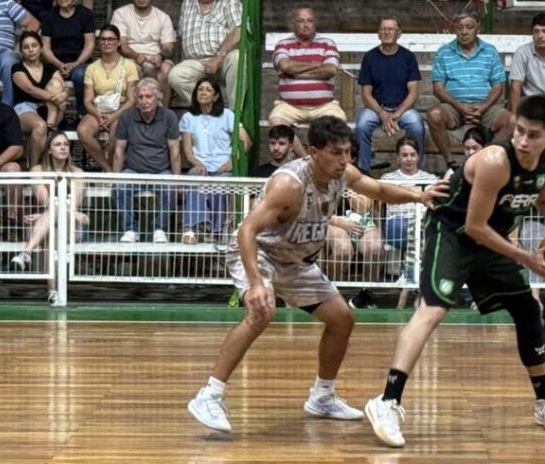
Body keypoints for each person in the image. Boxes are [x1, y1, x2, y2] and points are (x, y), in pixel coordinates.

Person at [186, 116, 447, 434]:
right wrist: (255, 282)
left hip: (294, 260)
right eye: (336, 153)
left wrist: (419, 196)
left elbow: (378, 189)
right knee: (261, 312)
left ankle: (322, 396)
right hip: (260, 252)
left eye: (347, 152)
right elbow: (247, 230)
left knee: (342, 319)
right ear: (313, 152)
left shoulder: (343, 173)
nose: (344, 160)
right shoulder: (289, 184)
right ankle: (209, 395)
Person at [365, 95, 545, 448]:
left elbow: (543, 201)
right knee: (432, 309)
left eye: (533, 135)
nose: (522, 141)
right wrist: (526, 258)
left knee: (528, 309)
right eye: (519, 131)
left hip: (489, 239)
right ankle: (387, 401)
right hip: (453, 232)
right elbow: (475, 227)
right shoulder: (495, 161)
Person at [10, 131, 88, 307]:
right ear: (49, 150)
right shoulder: (37, 171)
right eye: (57, 144)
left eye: (66, 144)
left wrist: (55, 211)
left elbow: (74, 206)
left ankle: (26, 253)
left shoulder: (78, 172)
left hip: (72, 226)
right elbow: (46, 201)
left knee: (52, 219)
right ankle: (54, 292)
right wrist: (58, 210)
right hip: (43, 227)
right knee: (51, 232)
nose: (63, 148)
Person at [427, 9, 512, 170]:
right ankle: (451, 163)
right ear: (454, 29)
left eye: (469, 27)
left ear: (477, 29)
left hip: (484, 107)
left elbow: (498, 86)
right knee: (434, 115)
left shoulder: (490, 51)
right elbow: (438, 89)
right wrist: (460, 107)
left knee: (512, 121)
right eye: (460, 27)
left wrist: (483, 108)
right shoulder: (444, 52)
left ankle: (485, 160)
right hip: (454, 107)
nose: (464, 32)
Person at [180, 77, 251, 245]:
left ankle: (218, 232)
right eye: (200, 89)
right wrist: (197, 163)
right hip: (200, 166)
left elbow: (246, 142)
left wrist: (232, 162)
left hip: (222, 167)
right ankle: (195, 228)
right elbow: (187, 150)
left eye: (208, 90)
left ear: (216, 96)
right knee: (194, 179)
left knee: (221, 184)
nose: (203, 93)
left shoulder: (227, 115)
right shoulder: (188, 117)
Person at [267, 5, 346, 150]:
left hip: (324, 106)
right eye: (301, 21)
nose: (306, 24)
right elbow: (285, 66)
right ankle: (304, 157)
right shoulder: (283, 44)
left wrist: (297, 71)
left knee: (338, 123)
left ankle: (321, 159)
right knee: (276, 122)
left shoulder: (327, 44)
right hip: (289, 106)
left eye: (309, 21)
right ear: (293, 23)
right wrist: (315, 64)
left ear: (315, 22)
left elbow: (331, 69)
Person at [112, 78, 180, 244]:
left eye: (149, 96)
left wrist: (178, 180)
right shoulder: (127, 117)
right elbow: (119, 150)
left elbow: (175, 152)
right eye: (140, 97)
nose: (144, 101)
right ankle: (130, 229)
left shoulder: (169, 116)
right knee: (120, 187)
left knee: (170, 187)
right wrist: (115, 178)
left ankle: (160, 229)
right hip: (134, 171)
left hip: (161, 171)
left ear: (157, 98)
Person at [355, 16, 423, 174]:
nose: (386, 32)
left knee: (416, 127)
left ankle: (415, 173)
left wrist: (396, 114)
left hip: (403, 109)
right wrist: (382, 114)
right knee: (362, 126)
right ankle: (363, 173)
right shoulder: (369, 57)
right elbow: (366, 93)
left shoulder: (408, 57)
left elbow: (413, 92)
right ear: (378, 33)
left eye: (390, 29)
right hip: (376, 109)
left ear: (398, 33)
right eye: (383, 29)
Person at [77, 25, 139, 172]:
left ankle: (113, 170)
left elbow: (132, 100)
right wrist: (99, 116)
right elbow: (87, 100)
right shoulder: (92, 68)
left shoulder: (129, 66)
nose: (106, 42)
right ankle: (108, 169)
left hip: (121, 110)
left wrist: (112, 117)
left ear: (119, 42)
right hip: (99, 109)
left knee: (116, 136)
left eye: (111, 39)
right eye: (103, 39)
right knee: (83, 131)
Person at [169, 0, 241, 106]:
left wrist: (218, 57)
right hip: (196, 61)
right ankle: (210, 108)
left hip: (224, 57)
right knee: (176, 75)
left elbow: (238, 31)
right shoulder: (187, 2)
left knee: (237, 58)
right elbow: (180, 35)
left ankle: (234, 111)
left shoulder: (230, 1)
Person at [379, 136, 437, 283]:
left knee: (424, 228)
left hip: (422, 222)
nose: (409, 159)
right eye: (404, 155)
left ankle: (409, 276)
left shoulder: (430, 178)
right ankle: (413, 276)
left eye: (412, 155)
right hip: (397, 224)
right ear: (398, 158)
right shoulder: (387, 178)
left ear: (418, 156)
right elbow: (379, 207)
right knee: (417, 230)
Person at [112, 0, 177, 106]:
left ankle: (164, 111)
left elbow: (169, 46)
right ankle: (133, 111)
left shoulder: (163, 17)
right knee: (133, 68)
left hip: (156, 59)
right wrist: (136, 56)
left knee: (166, 69)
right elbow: (121, 45)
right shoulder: (120, 14)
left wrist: (161, 56)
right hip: (130, 58)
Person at [11, 30, 68, 166]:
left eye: (34, 45)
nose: (31, 50)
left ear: (41, 48)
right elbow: (30, 89)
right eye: (26, 47)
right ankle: (34, 168)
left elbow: (65, 88)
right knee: (40, 126)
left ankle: (50, 127)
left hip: (48, 110)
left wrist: (63, 95)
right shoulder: (17, 68)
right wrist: (56, 99)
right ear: (21, 51)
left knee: (56, 84)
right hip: (25, 108)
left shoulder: (50, 68)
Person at [40, 0, 95, 118]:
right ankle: (56, 119)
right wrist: (58, 64)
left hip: (80, 62)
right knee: (52, 81)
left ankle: (82, 115)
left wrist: (75, 64)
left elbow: (90, 44)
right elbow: (45, 48)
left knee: (80, 75)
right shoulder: (48, 16)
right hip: (55, 63)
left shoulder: (85, 14)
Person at [0, 0, 40, 106]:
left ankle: (7, 110)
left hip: (3, 57)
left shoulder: (5, 3)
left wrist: (18, 49)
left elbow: (33, 24)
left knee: (9, 60)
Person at [0, 88, 24, 238]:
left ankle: (12, 221)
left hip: (1, 165)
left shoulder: (6, 112)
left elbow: (17, 148)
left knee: (14, 169)